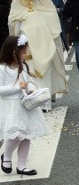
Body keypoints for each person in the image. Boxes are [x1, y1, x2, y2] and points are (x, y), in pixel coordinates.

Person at [9, 0, 69, 107]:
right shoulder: (16, 4)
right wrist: (21, 31)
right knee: (28, 71)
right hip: (26, 47)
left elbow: (52, 19)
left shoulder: (44, 2)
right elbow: (12, 23)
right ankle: (31, 100)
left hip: (44, 44)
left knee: (45, 72)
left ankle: (45, 102)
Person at [0, 35, 50, 176]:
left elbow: (28, 83)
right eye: (23, 52)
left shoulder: (23, 68)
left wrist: (31, 90)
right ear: (13, 53)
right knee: (16, 135)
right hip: (11, 108)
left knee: (27, 135)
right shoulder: (2, 69)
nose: (25, 55)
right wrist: (17, 87)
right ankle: (7, 155)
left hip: (25, 106)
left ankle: (22, 165)